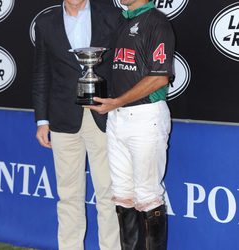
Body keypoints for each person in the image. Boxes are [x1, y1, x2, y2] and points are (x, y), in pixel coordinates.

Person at [32, 0, 121, 249]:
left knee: (108, 194)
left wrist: (118, 106)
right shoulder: (46, 22)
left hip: (103, 117)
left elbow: (122, 67)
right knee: (68, 195)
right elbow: (41, 73)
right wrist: (42, 120)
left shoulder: (111, 16)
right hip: (62, 120)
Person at [86, 0, 175, 249]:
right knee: (123, 194)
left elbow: (160, 77)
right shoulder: (122, 21)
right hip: (118, 118)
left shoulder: (157, 22)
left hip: (146, 116)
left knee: (147, 195)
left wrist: (118, 101)